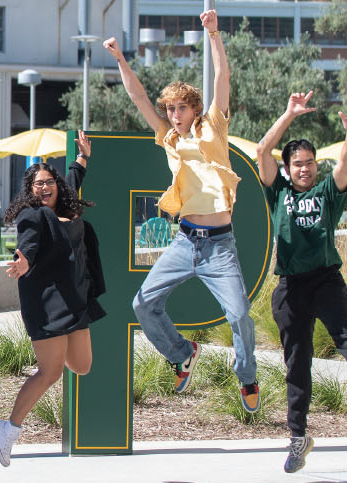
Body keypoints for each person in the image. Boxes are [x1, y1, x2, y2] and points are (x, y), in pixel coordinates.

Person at [106, 10, 261, 412]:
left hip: (220, 245)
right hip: (185, 239)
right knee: (143, 304)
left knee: (240, 315)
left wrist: (213, 35)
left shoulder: (214, 127)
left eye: (180, 109)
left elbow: (222, 79)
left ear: (193, 108)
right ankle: (181, 352)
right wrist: (122, 60)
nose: (174, 116)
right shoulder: (168, 138)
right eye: (170, 110)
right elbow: (138, 97)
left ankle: (246, 377)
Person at [252, 91, 347, 473]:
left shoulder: (327, 192)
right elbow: (263, 151)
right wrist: (289, 112)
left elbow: (344, 165)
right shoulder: (277, 192)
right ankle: (298, 438)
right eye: (298, 164)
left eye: (310, 163)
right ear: (288, 168)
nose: (305, 169)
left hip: (326, 279)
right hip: (291, 288)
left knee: (344, 334)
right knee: (297, 363)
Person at [0, 134, 105, 466]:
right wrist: (24, 260)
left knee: (82, 366)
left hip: (76, 299)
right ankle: (9, 427)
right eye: (37, 184)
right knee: (50, 372)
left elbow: (72, 181)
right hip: (47, 303)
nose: (43, 188)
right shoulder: (32, 215)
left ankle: (11, 423)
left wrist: (82, 159)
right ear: (29, 191)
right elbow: (27, 241)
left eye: (48, 182)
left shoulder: (67, 205)